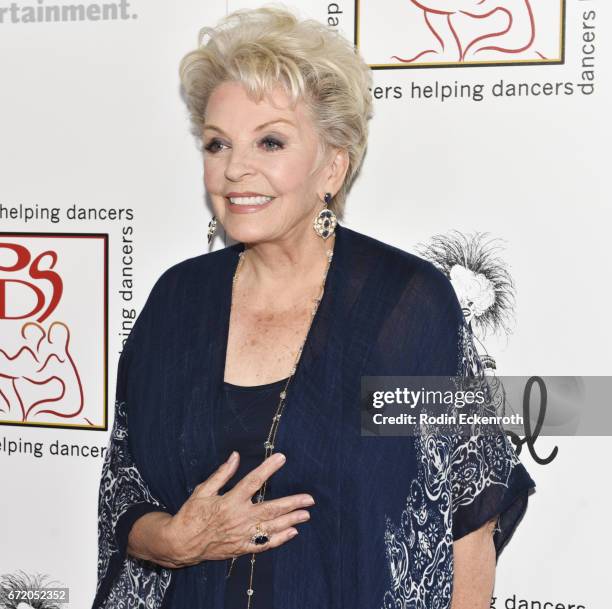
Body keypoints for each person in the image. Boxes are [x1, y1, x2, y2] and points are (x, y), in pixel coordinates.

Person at [91, 6, 535, 609]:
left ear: (332, 165)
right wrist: (173, 540)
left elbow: (471, 512)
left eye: (270, 141)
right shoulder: (177, 302)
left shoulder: (405, 308)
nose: (235, 169)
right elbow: (125, 488)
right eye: (218, 144)